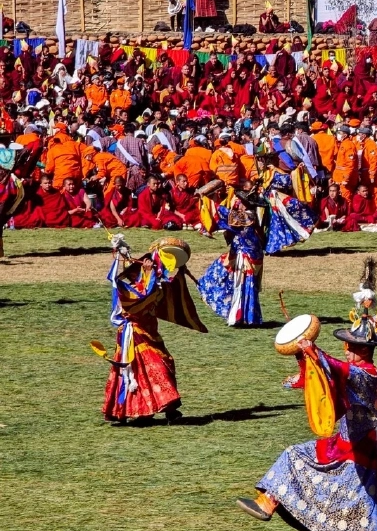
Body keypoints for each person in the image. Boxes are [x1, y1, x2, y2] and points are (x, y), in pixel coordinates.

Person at [236, 304, 377, 531]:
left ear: (364, 349)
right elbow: (329, 378)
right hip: (343, 444)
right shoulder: (360, 374)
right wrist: (304, 357)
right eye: (348, 346)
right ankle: (267, 501)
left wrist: (313, 350)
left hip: (361, 450)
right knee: (294, 454)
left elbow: (340, 371)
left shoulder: (368, 378)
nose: (348, 350)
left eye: (352, 347)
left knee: (357, 501)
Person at [94, 235, 207, 424]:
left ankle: (167, 409)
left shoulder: (157, 281)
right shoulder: (138, 283)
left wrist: (177, 270)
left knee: (164, 364)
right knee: (149, 369)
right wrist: (121, 257)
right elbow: (137, 297)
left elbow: (159, 289)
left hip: (150, 333)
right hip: (135, 335)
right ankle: (144, 411)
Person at [196, 179, 265, 327]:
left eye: (240, 201)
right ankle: (245, 317)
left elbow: (224, 214)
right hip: (242, 255)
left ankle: (241, 317)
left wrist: (207, 200)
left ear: (246, 204)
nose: (237, 203)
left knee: (243, 286)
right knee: (226, 277)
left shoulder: (247, 217)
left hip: (247, 258)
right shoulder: (247, 216)